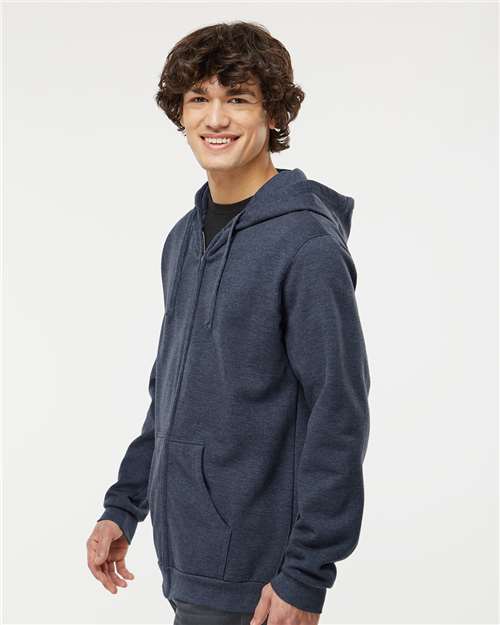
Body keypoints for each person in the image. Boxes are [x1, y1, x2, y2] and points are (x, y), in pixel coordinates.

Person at [86, 20, 371, 625]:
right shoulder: (183, 239)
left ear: (273, 113)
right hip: (189, 562)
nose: (215, 118)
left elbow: (339, 413)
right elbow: (173, 391)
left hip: (263, 581)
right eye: (199, 98)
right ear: (181, 112)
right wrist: (125, 505)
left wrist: (306, 575)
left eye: (237, 98)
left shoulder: (307, 247)